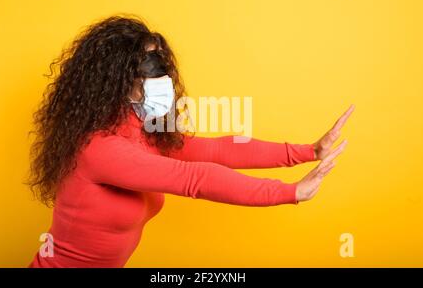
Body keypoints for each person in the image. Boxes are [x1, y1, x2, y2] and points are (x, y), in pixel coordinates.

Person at [27, 14, 354, 267]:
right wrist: (291, 192)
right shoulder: (99, 148)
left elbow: (215, 150)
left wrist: (308, 151)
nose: (162, 79)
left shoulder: (140, 129)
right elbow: (196, 178)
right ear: (114, 80)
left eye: (162, 66)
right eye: (149, 67)